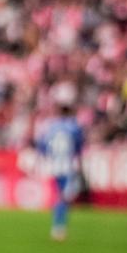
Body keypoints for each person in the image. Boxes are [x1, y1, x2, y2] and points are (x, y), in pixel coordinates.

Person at [36, 102, 84, 241]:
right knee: (64, 197)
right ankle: (59, 227)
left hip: (53, 166)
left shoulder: (51, 127)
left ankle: (58, 226)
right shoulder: (74, 127)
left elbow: (42, 146)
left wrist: (46, 157)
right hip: (68, 166)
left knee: (60, 196)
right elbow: (79, 147)